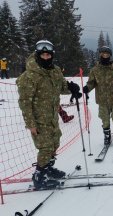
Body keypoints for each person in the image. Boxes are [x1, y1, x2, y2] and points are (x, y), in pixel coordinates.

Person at [16, 40, 82, 189]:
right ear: (38, 55)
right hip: (39, 119)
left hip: (52, 117)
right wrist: (30, 124)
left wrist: (72, 88)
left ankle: (48, 168)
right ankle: (39, 178)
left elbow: (61, 86)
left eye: (48, 55)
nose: (46, 58)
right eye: (43, 55)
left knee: (54, 143)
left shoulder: (55, 70)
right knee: (45, 148)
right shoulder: (30, 76)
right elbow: (24, 102)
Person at [83, 46, 113, 146]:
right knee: (104, 119)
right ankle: (107, 136)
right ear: (100, 55)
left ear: (110, 56)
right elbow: (91, 82)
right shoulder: (95, 70)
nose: (105, 56)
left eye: (107, 54)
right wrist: (87, 88)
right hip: (102, 100)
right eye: (103, 54)